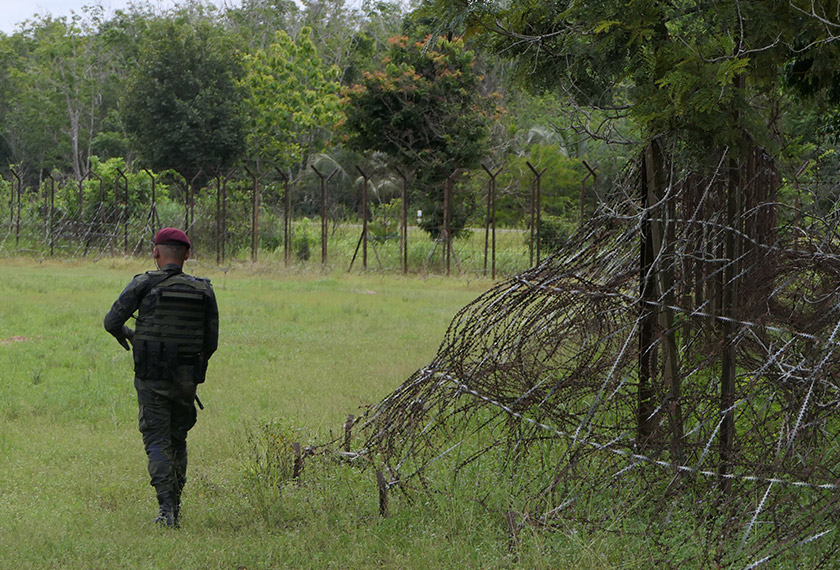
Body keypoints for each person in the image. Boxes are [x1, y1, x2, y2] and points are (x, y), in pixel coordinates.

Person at [104, 227, 219, 528]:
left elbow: (112, 321)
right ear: (188, 255)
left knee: (156, 439)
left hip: (151, 375)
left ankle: (167, 511)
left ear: (156, 252)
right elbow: (211, 342)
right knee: (177, 438)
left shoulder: (143, 283)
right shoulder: (204, 289)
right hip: (185, 377)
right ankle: (175, 505)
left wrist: (132, 336)